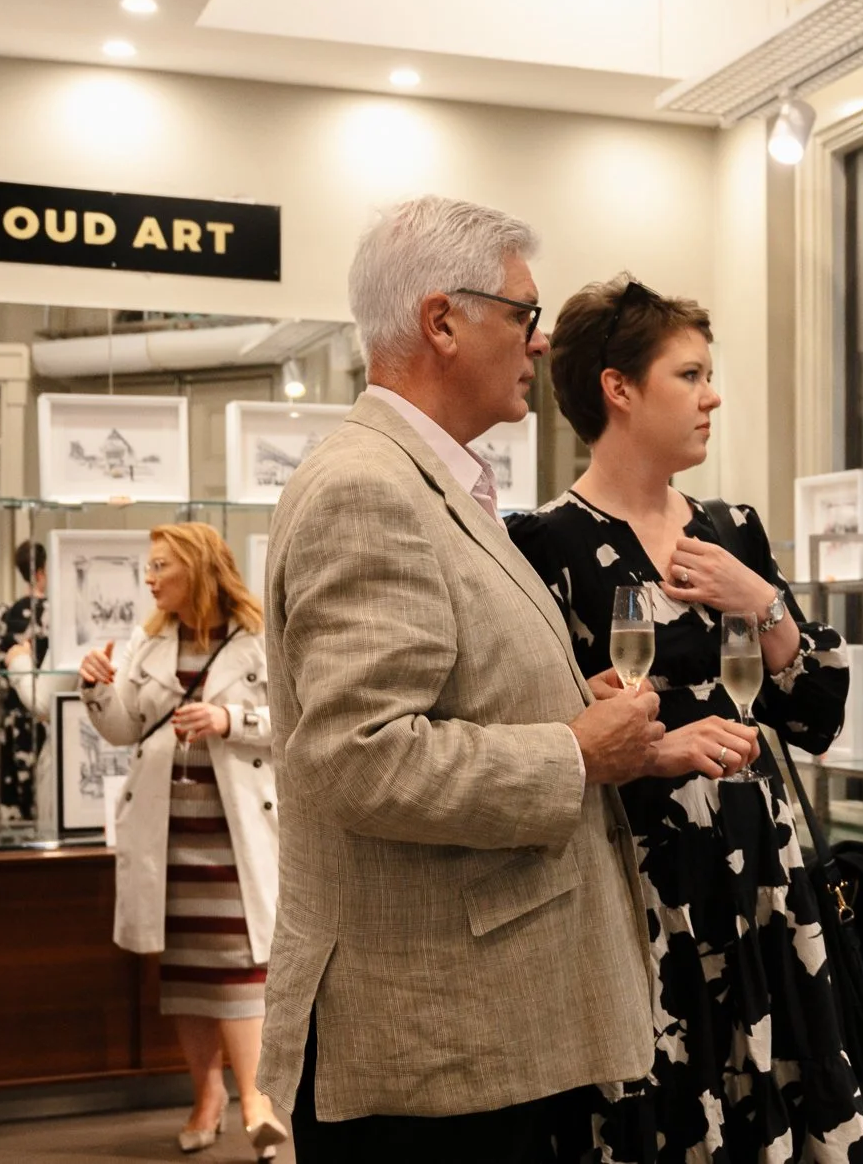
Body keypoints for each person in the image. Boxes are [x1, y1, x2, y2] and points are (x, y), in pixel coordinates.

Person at [260, 196, 667, 1163]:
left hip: (473, 1029)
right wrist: (572, 750)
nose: (537, 344)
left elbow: (442, 702)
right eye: (525, 315)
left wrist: (567, 713)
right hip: (431, 1050)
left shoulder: (431, 482)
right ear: (442, 320)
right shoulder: (370, 487)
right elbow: (359, 757)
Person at [508, 276, 863, 1164]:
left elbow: (817, 714)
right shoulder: (543, 543)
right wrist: (657, 746)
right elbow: (548, 730)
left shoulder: (732, 528)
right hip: (642, 892)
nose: (712, 397)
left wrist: (765, 602)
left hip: (766, 880)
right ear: (618, 387)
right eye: (690, 374)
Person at [76, 523, 285, 1158]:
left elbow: (296, 722)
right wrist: (95, 687)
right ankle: (207, 1095)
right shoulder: (149, 642)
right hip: (168, 838)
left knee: (242, 971)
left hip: (236, 835)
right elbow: (123, 727)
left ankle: (256, 1098)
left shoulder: (258, 639)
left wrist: (230, 719)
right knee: (186, 972)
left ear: (195, 568)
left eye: (160, 565)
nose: (149, 577)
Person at [0, 541, 49, 825]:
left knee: (14, 804)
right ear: (41, 572)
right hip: (41, 718)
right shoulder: (53, 615)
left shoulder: (4, 615)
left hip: (11, 719)